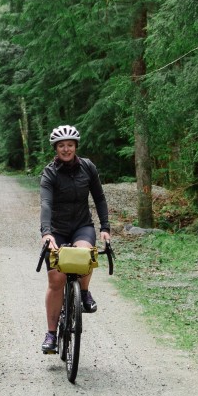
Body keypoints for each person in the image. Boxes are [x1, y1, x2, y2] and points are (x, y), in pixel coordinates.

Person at [39, 124, 111, 354]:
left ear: (76, 147)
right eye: (62, 146)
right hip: (58, 229)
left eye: (70, 145)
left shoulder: (88, 167)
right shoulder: (50, 172)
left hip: (82, 226)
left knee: (85, 254)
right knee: (56, 280)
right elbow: (46, 203)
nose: (66, 149)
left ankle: (85, 291)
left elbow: (99, 198)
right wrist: (46, 233)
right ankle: (51, 334)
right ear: (56, 148)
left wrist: (105, 227)